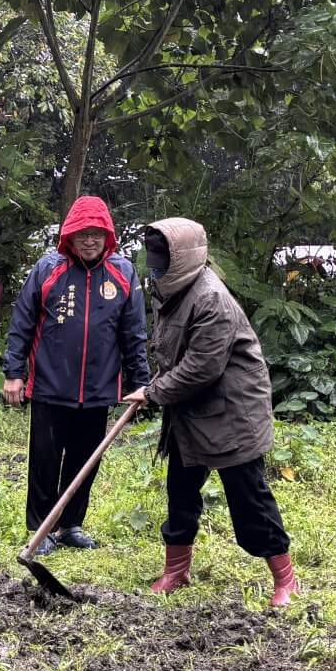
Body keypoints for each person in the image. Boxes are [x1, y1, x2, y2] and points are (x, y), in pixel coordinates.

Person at [126, 218, 300, 607]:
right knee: (180, 492)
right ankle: (177, 571)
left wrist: (153, 394)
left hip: (231, 412)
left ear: (182, 258)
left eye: (161, 261)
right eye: (152, 260)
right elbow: (169, 350)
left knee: (249, 497)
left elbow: (202, 367)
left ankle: (286, 580)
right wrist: (154, 387)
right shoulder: (169, 291)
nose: (154, 269)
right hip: (190, 412)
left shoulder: (210, 298)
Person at [2, 196, 149, 552]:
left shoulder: (123, 272)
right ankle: (41, 529)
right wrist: (13, 373)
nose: (89, 240)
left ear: (108, 236)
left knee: (85, 460)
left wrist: (141, 382)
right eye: (82, 233)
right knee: (45, 460)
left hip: (98, 389)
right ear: (69, 234)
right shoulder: (47, 269)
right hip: (50, 384)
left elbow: (134, 333)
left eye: (96, 234)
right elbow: (22, 323)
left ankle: (71, 525)